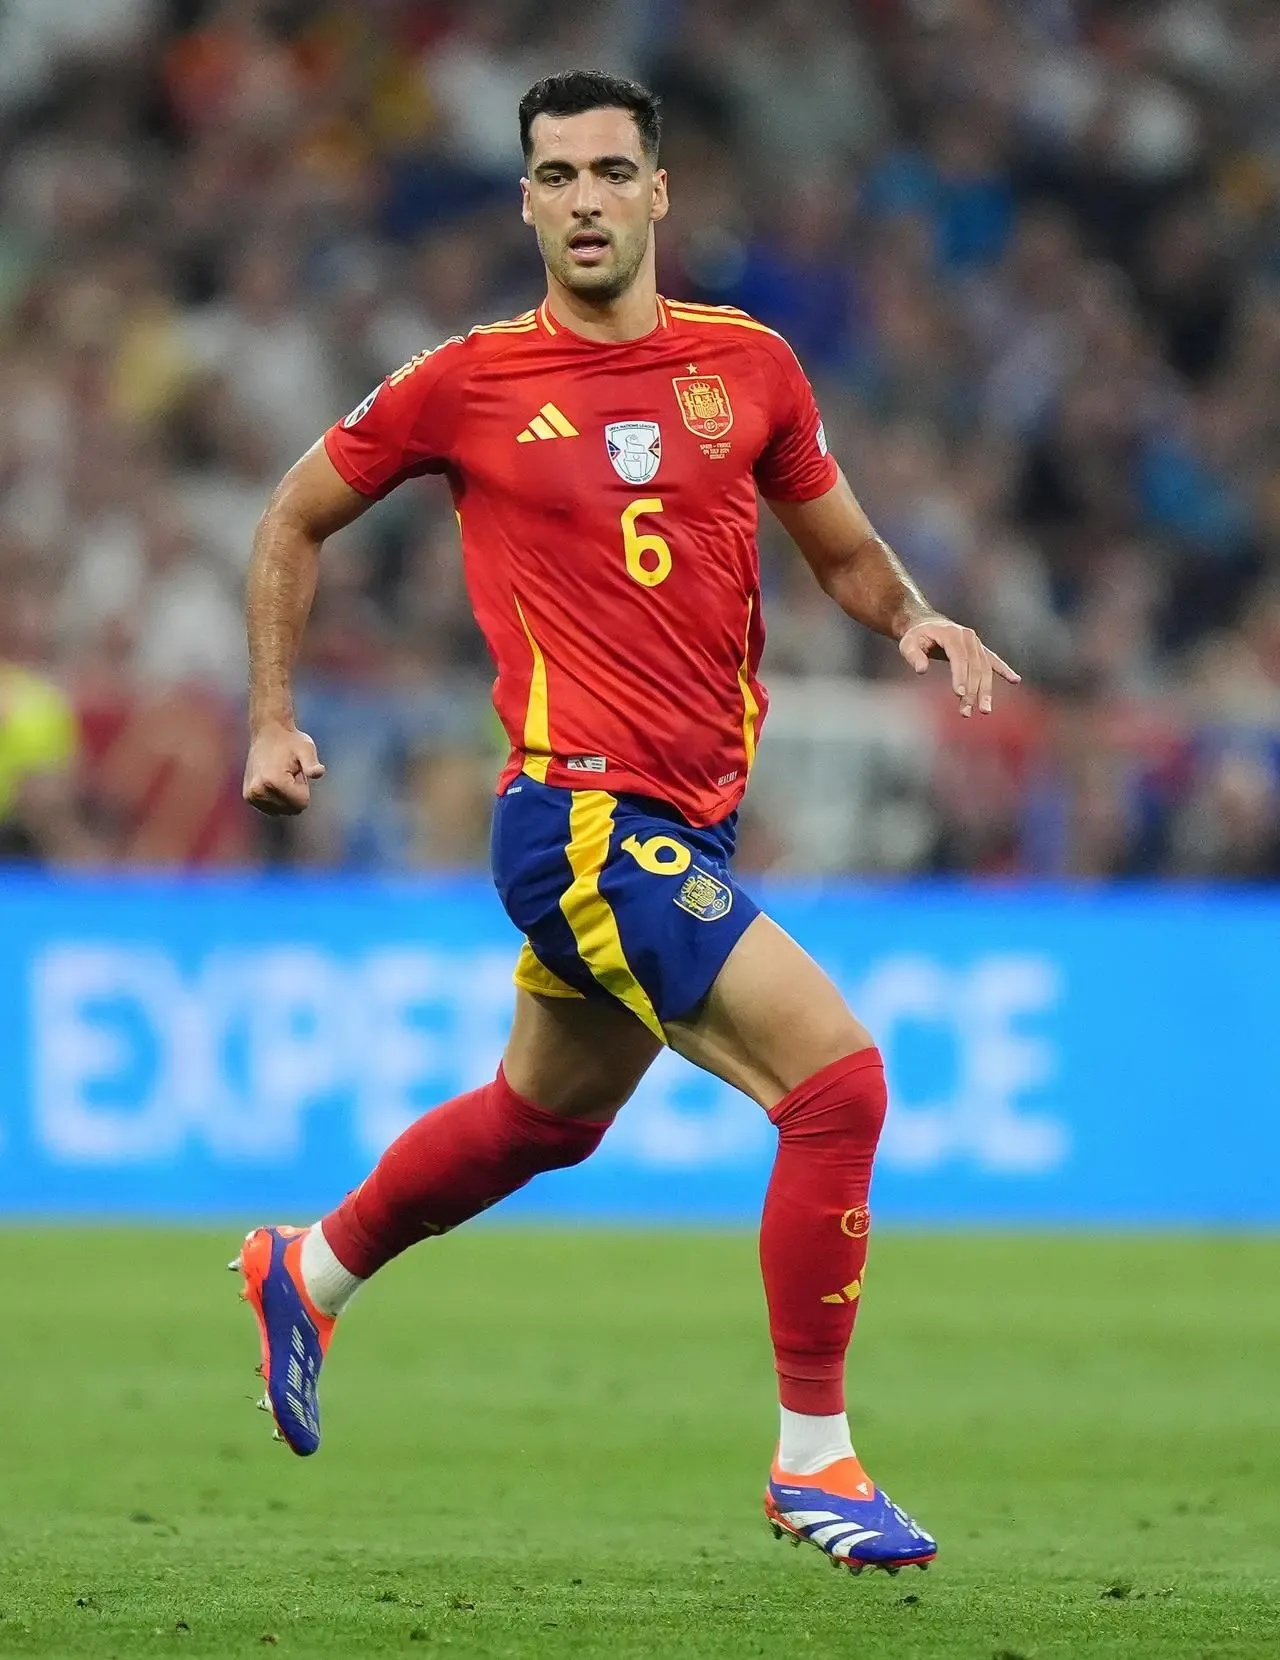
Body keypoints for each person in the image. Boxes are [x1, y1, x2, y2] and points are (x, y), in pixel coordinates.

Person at [232, 70, 1019, 1576]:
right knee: (839, 1086)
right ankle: (815, 1461)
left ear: (660, 192)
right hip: (579, 818)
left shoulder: (753, 368)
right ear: (523, 201)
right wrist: (272, 713)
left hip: (689, 824)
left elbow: (843, 550)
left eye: (609, 170)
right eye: (554, 175)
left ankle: (311, 1267)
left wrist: (915, 617)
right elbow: (291, 517)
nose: (583, 198)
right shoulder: (464, 381)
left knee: (545, 1119)